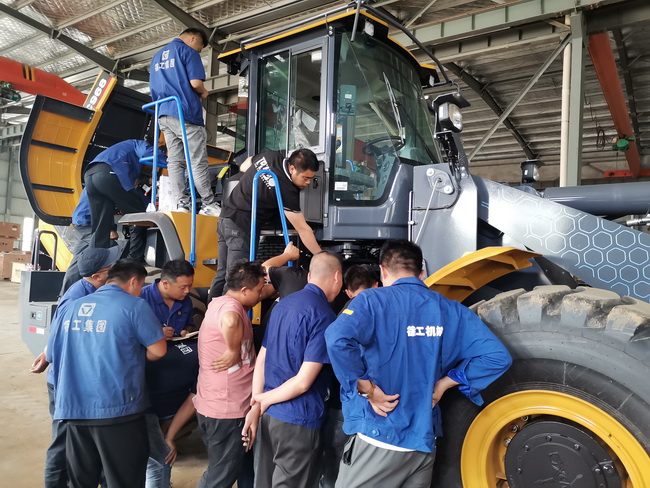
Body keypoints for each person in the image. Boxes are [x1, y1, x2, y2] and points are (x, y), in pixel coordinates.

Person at [325, 240, 513, 487]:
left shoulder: (372, 300)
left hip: (381, 435)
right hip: (423, 446)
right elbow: (497, 357)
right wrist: (445, 383)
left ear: (383, 270)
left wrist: (367, 389)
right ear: (422, 273)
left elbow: (336, 339)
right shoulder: (451, 310)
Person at [46, 259, 167, 488]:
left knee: (81, 481)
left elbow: (52, 354)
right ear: (134, 281)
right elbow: (158, 350)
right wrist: (132, 354)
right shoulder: (134, 306)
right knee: (123, 479)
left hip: (74, 410)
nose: (140, 291)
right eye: (141, 286)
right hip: (118, 410)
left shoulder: (70, 307)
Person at [244, 251, 342, 488]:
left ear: (309, 276)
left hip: (269, 417)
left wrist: (257, 404)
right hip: (298, 420)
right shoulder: (324, 316)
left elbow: (262, 358)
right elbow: (303, 382)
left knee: (264, 482)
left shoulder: (283, 304)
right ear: (337, 278)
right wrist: (263, 399)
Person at [31, 246, 121, 488]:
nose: (115, 270)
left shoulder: (91, 291)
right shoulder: (77, 299)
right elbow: (58, 341)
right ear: (97, 275)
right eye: (110, 268)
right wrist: (48, 354)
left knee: (85, 441)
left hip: (77, 380)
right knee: (62, 442)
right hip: (66, 383)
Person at [210, 148, 322, 299]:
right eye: (305, 178)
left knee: (223, 274)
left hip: (225, 218)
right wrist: (321, 256)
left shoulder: (270, 156)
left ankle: (210, 312)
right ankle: (226, 313)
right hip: (241, 227)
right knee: (237, 279)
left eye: (311, 179)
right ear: (292, 169)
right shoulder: (287, 190)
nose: (308, 182)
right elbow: (303, 229)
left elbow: (244, 166)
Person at [194, 260, 266, 488]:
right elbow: (230, 319)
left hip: (219, 406)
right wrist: (234, 350)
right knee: (220, 477)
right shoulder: (231, 309)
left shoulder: (219, 301)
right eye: (258, 291)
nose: (261, 295)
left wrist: (285, 256)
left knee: (244, 469)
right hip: (227, 412)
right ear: (244, 290)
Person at [140, 259, 200, 487]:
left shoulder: (185, 301)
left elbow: (189, 326)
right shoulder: (141, 299)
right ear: (165, 283)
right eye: (183, 287)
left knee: (163, 442)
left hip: (176, 380)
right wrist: (155, 333)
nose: (187, 291)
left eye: (190, 286)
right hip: (150, 379)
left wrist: (186, 331)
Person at [149, 28, 220, 217]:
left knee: (174, 161)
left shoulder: (156, 57)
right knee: (197, 160)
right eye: (199, 48)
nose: (198, 51)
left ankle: (182, 203)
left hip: (163, 112)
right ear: (193, 38)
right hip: (184, 112)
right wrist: (203, 92)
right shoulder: (187, 52)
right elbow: (196, 83)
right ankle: (209, 204)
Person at [319, 264, 378, 488]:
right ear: (376, 285)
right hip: (372, 404)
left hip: (342, 403)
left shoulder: (343, 315)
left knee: (336, 464)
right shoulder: (380, 311)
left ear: (348, 291)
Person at [84, 139, 167, 263]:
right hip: (109, 172)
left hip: (90, 174)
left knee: (101, 227)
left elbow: (132, 197)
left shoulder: (120, 152)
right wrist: (170, 162)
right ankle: (134, 260)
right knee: (140, 215)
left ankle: (95, 264)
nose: (150, 171)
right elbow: (149, 153)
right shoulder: (137, 143)